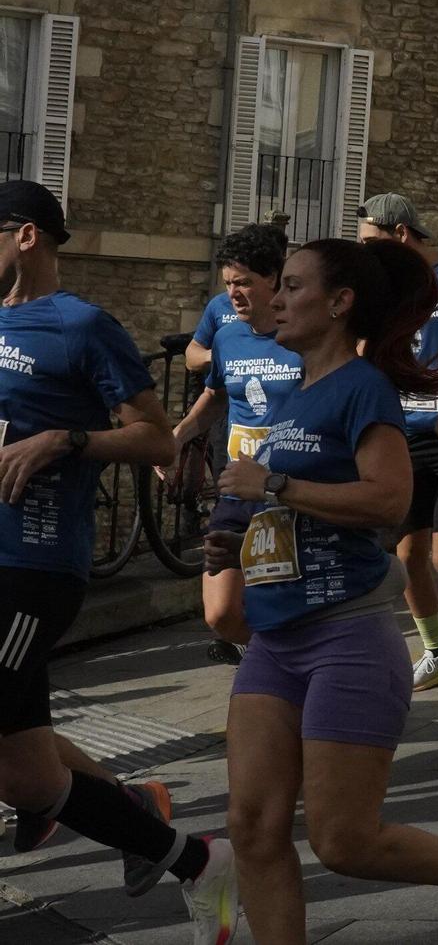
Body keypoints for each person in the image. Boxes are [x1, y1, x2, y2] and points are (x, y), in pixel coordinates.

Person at [211, 235, 438, 944]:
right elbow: (301, 500)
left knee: (344, 840)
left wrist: (274, 482)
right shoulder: (298, 389)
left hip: (347, 636)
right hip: (276, 637)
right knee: (251, 825)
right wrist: (242, 527)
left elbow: (389, 500)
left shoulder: (362, 386)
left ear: (339, 303)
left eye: (293, 285)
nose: (276, 296)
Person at [0, 181, 242, 941]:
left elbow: (157, 438)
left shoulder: (80, 327)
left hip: (32, 567)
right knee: (29, 776)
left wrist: (62, 441)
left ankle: (168, 836)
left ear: (27, 235)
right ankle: (193, 857)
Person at [355, 193, 438, 692]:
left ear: (399, 234)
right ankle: (437, 651)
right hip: (401, 433)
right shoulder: (380, 286)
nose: (363, 253)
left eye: (370, 242)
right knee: (409, 554)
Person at [168, 223, 300, 654]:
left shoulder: (304, 337)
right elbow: (215, 396)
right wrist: (176, 438)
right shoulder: (226, 337)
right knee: (220, 613)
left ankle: (279, 671)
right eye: (228, 284)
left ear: (273, 280)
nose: (233, 294)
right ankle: (273, 659)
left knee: (284, 608)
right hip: (236, 491)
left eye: (242, 283)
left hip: (292, 493)